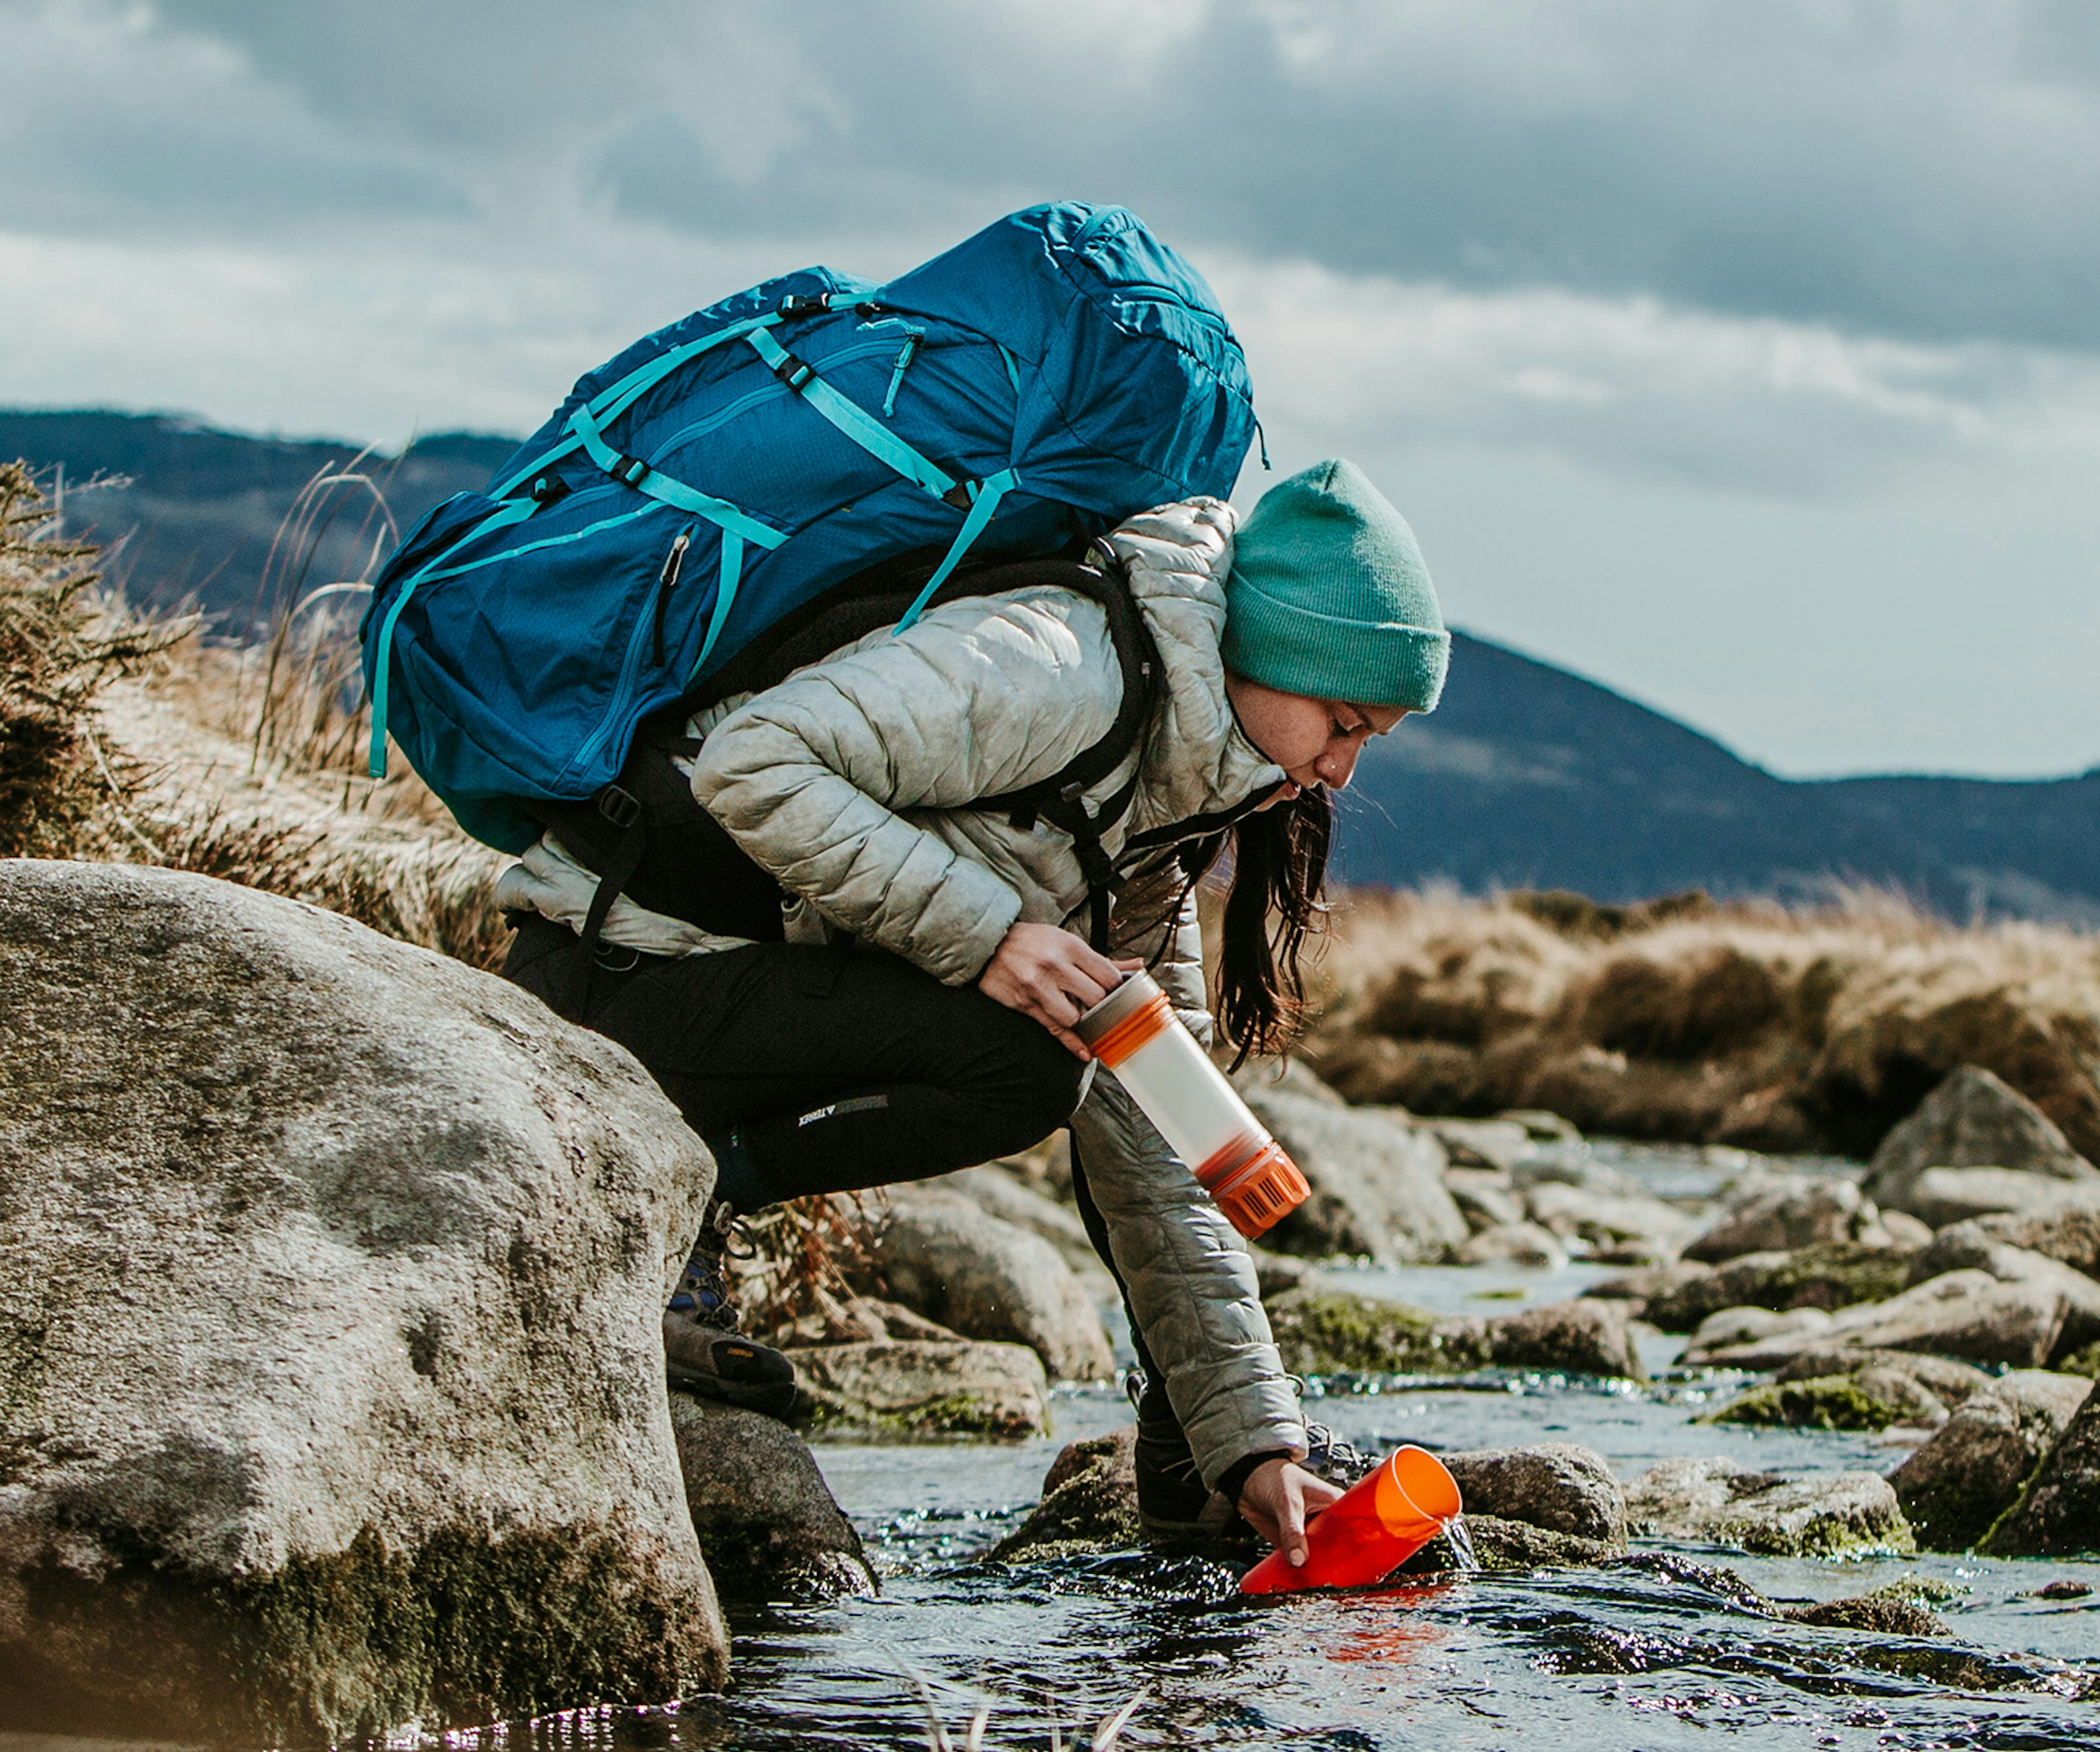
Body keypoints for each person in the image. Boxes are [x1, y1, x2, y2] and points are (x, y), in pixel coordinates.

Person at [496, 455, 1449, 1568]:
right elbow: (756, 763)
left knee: (1063, 1071)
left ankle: (1188, 1459)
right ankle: (673, 1217)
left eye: (1366, 741)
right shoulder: (1058, 670)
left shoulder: (1161, 817)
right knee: (1027, 1059)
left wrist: (1253, 1446)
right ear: (1270, 652)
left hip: (753, 992)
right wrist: (990, 936)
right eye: (1340, 722)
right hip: (616, 973)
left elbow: (1157, 1137)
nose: (1339, 773)